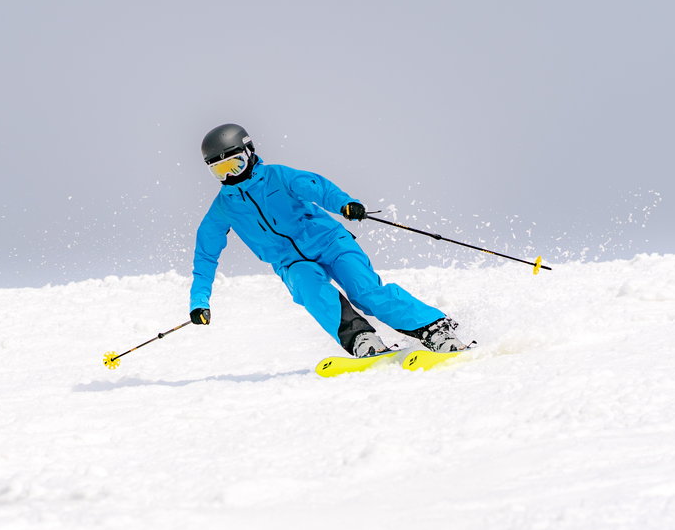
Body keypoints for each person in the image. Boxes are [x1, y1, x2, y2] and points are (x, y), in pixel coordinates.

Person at [189, 123, 472, 357]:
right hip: (291, 262)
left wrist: (345, 204)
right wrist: (199, 301)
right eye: (220, 170)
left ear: (249, 153)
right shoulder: (222, 209)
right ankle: (362, 340)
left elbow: (317, 187)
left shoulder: (278, 176)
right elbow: (205, 256)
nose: (229, 175)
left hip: (330, 242)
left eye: (235, 165)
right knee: (311, 290)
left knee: (365, 291)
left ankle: (434, 329)